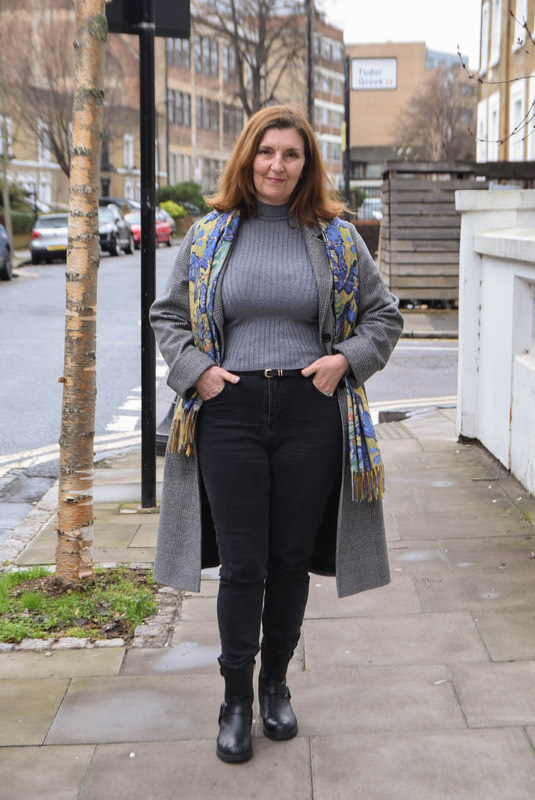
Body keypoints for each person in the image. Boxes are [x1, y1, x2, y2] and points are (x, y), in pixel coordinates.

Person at [150, 104, 403, 764]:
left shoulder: (336, 238)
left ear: (306, 164)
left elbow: (383, 316)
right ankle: (235, 699)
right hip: (228, 411)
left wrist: (345, 360)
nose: (276, 165)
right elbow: (167, 316)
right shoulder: (208, 236)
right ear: (247, 157)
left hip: (308, 412)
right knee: (244, 564)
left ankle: (275, 686)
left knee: (290, 560)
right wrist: (198, 373)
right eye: (266, 152)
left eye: (291, 154)